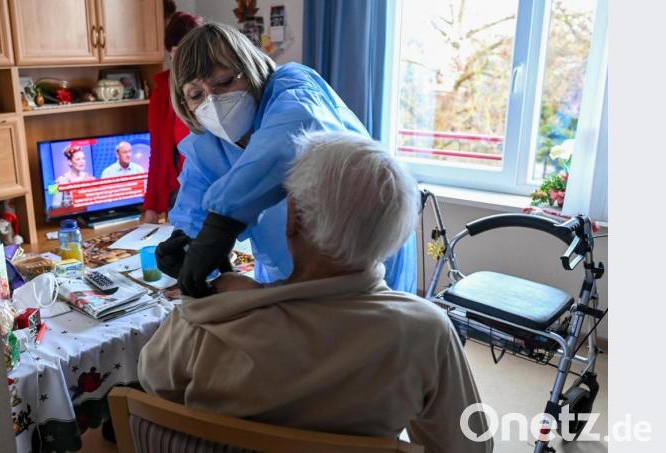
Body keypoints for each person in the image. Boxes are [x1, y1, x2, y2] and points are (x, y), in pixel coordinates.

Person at [139, 131, 492, 453]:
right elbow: (470, 445)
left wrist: (236, 297)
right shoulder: (425, 331)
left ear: (293, 219)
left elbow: (152, 383)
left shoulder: (208, 320)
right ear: (394, 232)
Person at [155, 23, 417, 297]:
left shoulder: (295, 89)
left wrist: (221, 225)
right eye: (196, 95)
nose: (214, 101)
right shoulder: (207, 144)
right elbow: (195, 212)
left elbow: (287, 141)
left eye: (225, 82)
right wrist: (187, 245)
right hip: (283, 270)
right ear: (185, 104)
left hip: (359, 260)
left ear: (252, 71)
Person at [143, 11, 204, 224]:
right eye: (178, 52)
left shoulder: (213, 88)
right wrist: (151, 205)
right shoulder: (161, 92)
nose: (183, 61)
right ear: (170, 52)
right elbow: (157, 152)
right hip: (177, 193)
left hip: (212, 189)